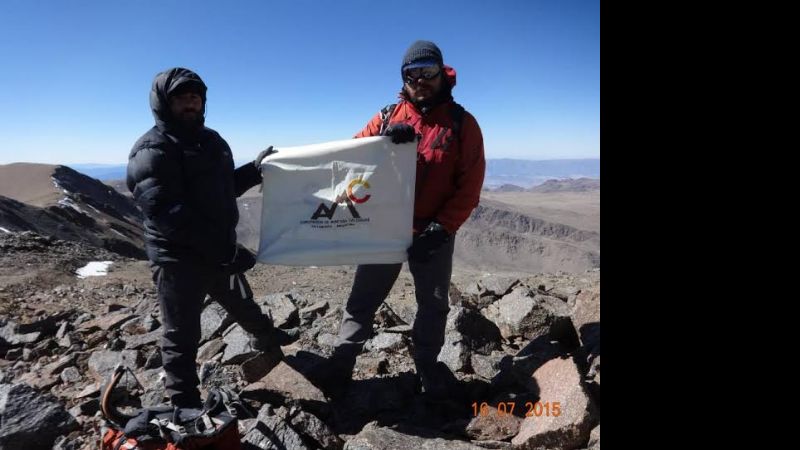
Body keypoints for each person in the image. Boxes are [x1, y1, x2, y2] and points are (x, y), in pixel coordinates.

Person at [319, 41, 486, 398]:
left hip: (433, 231)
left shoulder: (461, 124)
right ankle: (341, 365)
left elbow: (470, 183)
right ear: (404, 77)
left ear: (443, 73)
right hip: (385, 229)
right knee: (363, 299)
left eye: (429, 72)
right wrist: (382, 141)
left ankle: (427, 368)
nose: (421, 80)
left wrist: (442, 228)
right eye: (413, 73)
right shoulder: (386, 116)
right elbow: (351, 158)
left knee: (434, 303)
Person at [126, 67, 282, 408]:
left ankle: (269, 342)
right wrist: (224, 252)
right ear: (163, 103)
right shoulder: (151, 151)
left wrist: (255, 170)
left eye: (195, 96)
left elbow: (224, 187)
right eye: (180, 97)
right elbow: (171, 217)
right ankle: (184, 403)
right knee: (181, 333)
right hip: (178, 260)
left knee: (243, 303)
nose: (190, 103)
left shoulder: (211, 141)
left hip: (218, 251)